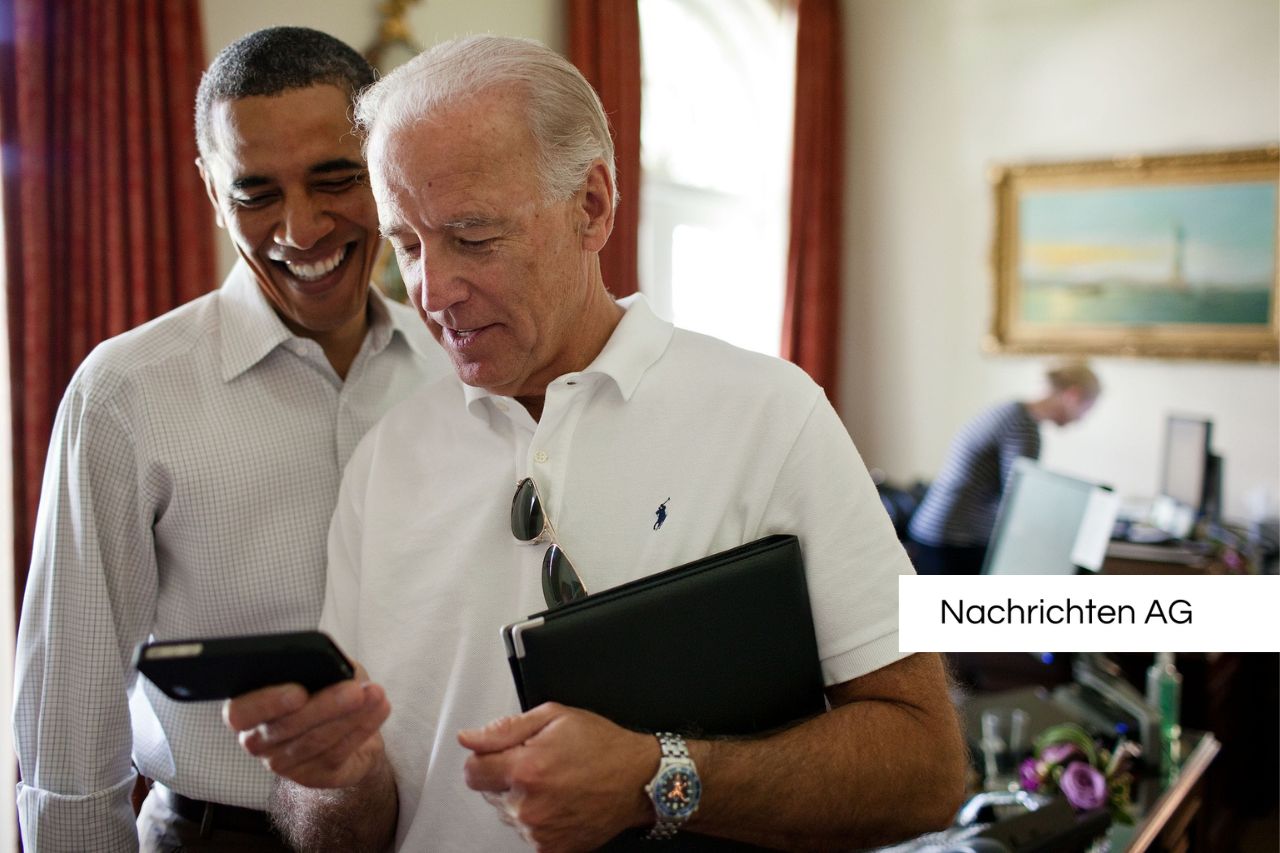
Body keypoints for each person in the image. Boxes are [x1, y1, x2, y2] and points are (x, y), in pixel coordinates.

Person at [224, 35, 966, 852]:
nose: (433, 291)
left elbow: (927, 769)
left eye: (472, 236)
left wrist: (660, 778)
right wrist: (334, 776)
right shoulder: (383, 465)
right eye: (407, 244)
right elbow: (342, 831)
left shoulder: (769, 413)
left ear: (593, 206)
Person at [13, 27, 447, 853]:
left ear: (386, 168)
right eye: (256, 193)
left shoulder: (455, 377)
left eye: (335, 180)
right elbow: (68, 716)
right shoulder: (125, 394)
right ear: (213, 192)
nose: (302, 227)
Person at [906, 362, 1101, 575]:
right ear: (1073, 395)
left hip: (938, 530)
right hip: (954, 538)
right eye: (1086, 409)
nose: (1081, 419)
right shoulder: (1022, 426)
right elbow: (1020, 499)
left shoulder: (1011, 412)